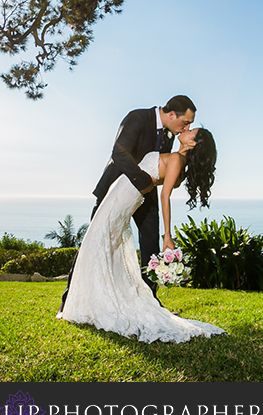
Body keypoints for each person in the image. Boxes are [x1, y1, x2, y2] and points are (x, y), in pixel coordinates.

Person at [57, 125, 224, 343]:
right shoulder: (180, 163)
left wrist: (167, 235)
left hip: (124, 196)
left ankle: (95, 304)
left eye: (192, 131)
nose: (187, 129)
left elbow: (164, 197)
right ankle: (94, 300)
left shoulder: (175, 159)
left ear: (192, 143)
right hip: (125, 193)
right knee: (102, 245)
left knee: (96, 243)